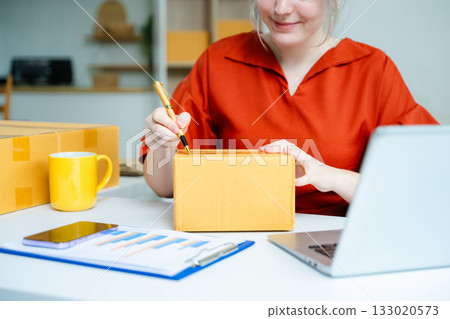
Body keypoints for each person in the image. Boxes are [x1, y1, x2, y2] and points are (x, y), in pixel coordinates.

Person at [140, 0, 438, 216]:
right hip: (240, 231)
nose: (281, 8)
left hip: (338, 239)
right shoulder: (218, 61)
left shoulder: (373, 69)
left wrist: (332, 177)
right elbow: (165, 187)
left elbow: (422, 184)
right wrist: (163, 145)